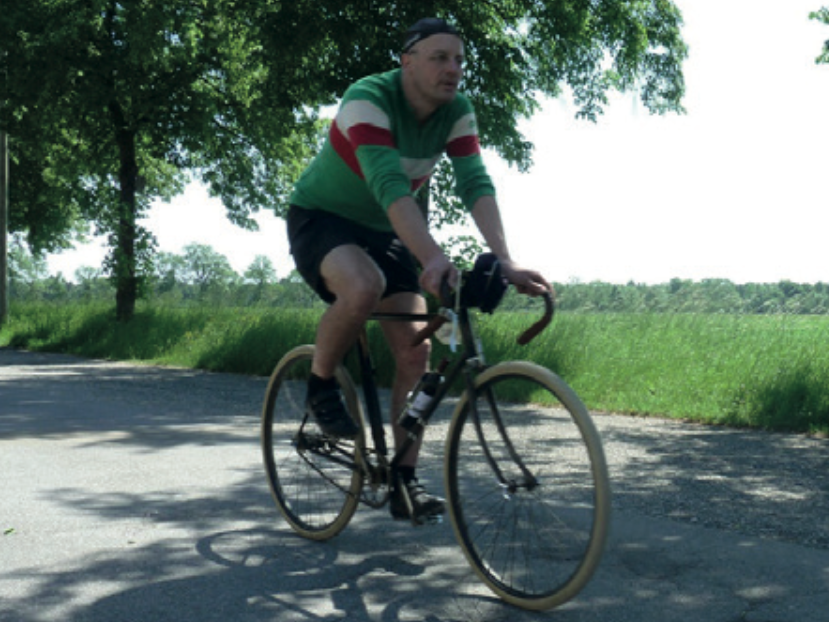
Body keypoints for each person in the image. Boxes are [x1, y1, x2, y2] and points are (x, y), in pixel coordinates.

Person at [286, 17, 550, 521]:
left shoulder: (457, 111)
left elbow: (474, 182)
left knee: (416, 351)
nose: (453, 69)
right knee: (363, 286)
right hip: (321, 218)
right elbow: (389, 184)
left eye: (459, 60)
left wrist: (506, 259)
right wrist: (431, 256)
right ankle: (320, 384)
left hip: (385, 229)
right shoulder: (367, 98)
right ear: (407, 62)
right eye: (439, 57)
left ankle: (404, 482)